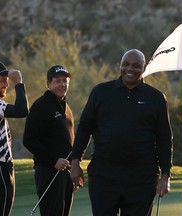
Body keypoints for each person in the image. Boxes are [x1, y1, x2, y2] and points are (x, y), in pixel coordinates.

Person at [70, 49, 173, 216]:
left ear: (143, 68)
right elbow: (84, 129)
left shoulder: (156, 98)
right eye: (125, 64)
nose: (129, 69)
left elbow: (164, 139)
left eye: (136, 65)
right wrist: (75, 162)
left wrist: (166, 175)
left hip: (142, 178)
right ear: (120, 65)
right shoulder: (101, 92)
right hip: (103, 175)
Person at [23, 65, 75, 216]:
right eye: (57, 81)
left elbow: (68, 142)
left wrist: (74, 169)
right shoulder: (41, 106)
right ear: (48, 84)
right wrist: (53, 160)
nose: (62, 84)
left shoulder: (66, 107)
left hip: (65, 173)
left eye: (65, 81)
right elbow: (29, 140)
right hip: (48, 171)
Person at [0, 60, 29, 216]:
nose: (6, 84)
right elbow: (21, 110)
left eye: (7, 81)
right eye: (2, 80)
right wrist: (19, 83)